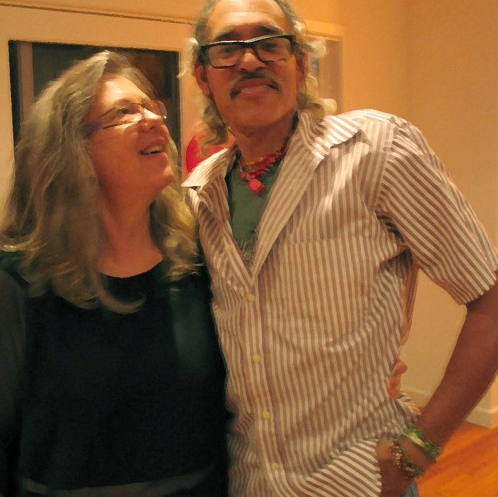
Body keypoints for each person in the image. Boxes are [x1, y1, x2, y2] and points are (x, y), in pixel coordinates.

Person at [183, 0, 498, 495]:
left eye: (269, 43)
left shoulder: (376, 151)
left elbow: (489, 298)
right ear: (203, 76)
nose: (249, 60)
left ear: (300, 63)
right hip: (247, 481)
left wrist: (420, 447)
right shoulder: (200, 195)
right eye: (227, 49)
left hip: (359, 480)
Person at [0, 51, 228, 497]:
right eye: (124, 113)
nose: (153, 119)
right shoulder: (20, 282)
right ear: (73, 153)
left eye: (151, 106)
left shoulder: (196, 261)